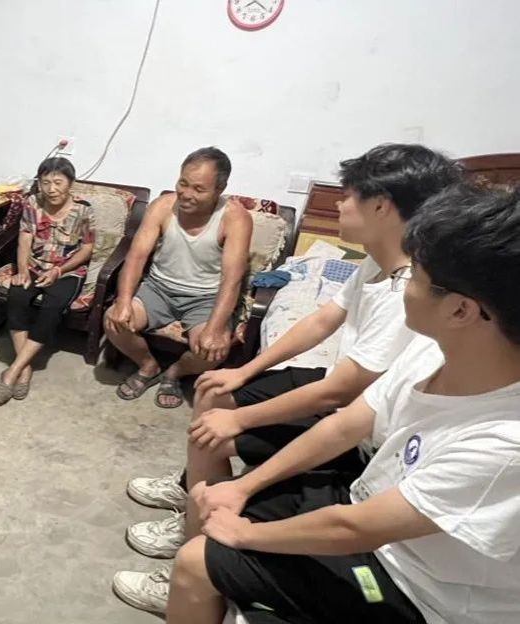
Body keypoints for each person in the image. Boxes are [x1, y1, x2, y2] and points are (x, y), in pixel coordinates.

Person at [159, 183, 520, 624]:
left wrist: (246, 534)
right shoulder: (433, 350)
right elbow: (345, 425)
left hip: (417, 590)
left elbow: (357, 528)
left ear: (461, 311)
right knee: (213, 501)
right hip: (363, 506)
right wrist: (241, 488)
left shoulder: (505, 443)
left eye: (414, 277)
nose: (402, 284)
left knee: (198, 560)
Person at [119, 144, 462, 566]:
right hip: (341, 388)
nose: (338, 204)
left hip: (359, 419)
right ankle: (190, 490)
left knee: (215, 427)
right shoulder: (376, 262)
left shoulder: (405, 291)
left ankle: (193, 539)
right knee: (213, 389)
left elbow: (341, 392)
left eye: (348, 196)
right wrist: (245, 370)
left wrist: (241, 418)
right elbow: (321, 321)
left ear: (380, 207)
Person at [104, 148, 252, 409]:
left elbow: (232, 280)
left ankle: (175, 372)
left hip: (205, 298)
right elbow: (136, 257)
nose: (186, 193)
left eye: (198, 189)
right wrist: (123, 301)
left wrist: (215, 328)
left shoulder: (235, 218)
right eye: (183, 183)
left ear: (220, 189)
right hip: (158, 289)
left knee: (212, 350)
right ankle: (148, 366)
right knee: (113, 321)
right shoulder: (162, 207)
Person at [0, 157, 95, 405]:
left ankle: (13, 370)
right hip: (35, 265)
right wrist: (22, 269)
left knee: (53, 306)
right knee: (17, 296)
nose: (51, 189)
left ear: (70, 183)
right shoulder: (33, 203)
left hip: (67, 270)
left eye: (58, 182)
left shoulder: (83, 209)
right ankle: (25, 368)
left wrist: (59, 271)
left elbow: (87, 248)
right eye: (45, 182)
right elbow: (25, 238)